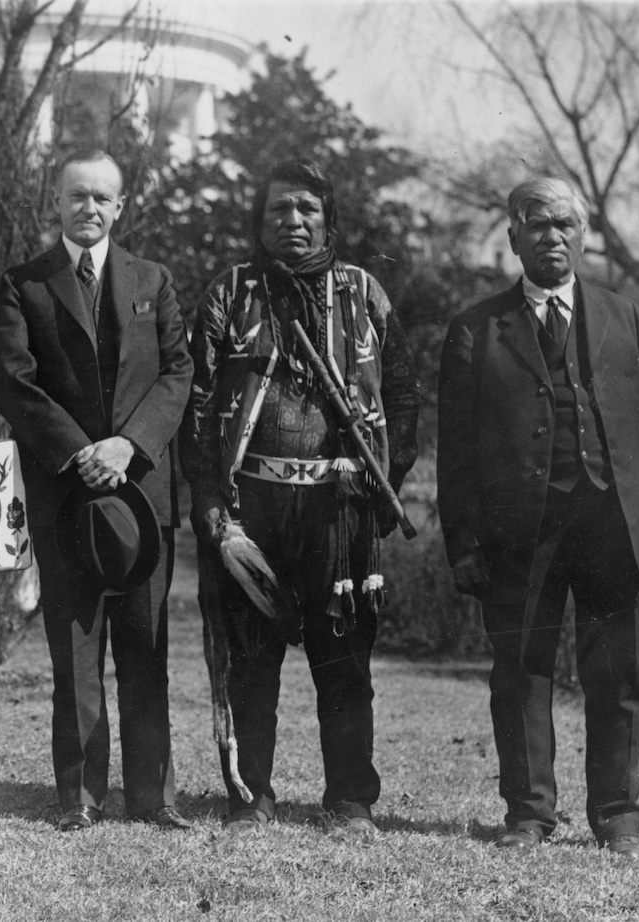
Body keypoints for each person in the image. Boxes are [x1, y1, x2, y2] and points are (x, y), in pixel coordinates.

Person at [180, 158, 419, 836]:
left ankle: (349, 799)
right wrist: (206, 497)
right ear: (261, 221)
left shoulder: (364, 294)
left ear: (328, 220)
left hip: (341, 506)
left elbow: (402, 395)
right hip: (251, 508)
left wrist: (387, 482)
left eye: (307, 210)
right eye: (280, 209)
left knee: (343, 657)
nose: (293, 220)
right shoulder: (232, 293)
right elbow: (198, 405)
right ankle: (251, 796)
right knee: (249, 660)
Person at [437, 178, 639, 859]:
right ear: (513, 235)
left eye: (567, 223)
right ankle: (530, 813)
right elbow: (455, 451)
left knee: (620, 673)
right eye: (539, 224)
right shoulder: (477, 329)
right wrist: (464, 543)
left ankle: (619, 814)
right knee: (519, 672)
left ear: (584, 232)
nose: (555, 236)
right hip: (519, 533)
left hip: (613, 527)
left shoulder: (623, 317)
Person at [0, 149, 194, 832]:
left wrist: (128, 445)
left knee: (145, 647)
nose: (90, 209)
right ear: (57, 201)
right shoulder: (24, 284)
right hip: (66, 494)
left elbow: (178, 373)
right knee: (76, 650)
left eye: (102, 198)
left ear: (121, 206)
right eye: (77, 195)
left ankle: (153, 797)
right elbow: (15, 383)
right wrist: (82, 452)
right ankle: (79, 795)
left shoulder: (154, 279)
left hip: (141, 495)